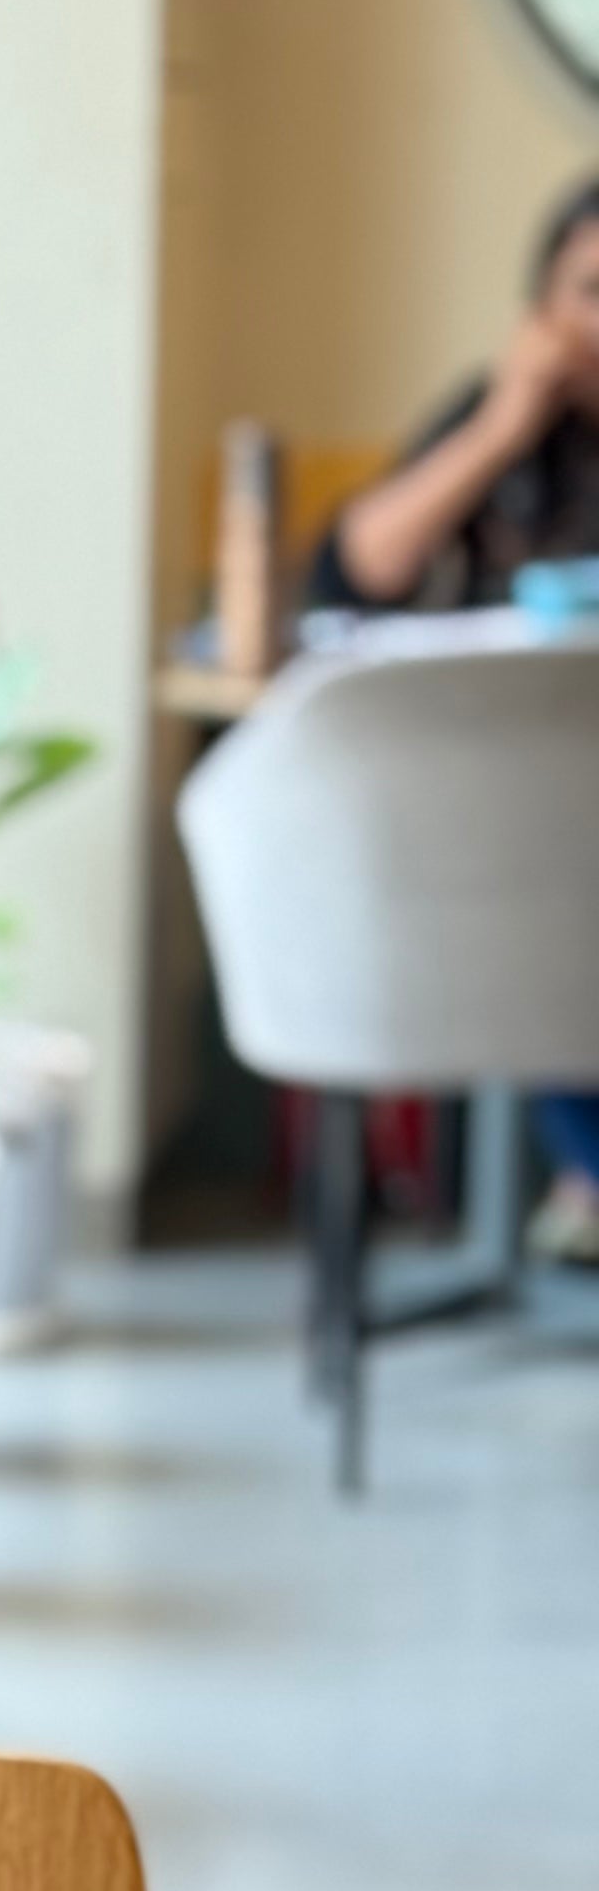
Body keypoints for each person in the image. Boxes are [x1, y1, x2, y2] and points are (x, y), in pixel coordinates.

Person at [313, 174, 599, 1263]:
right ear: (541, 312)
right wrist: (505, 420)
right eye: (590, 290)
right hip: (502, 846)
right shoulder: (498, 426)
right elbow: (359, 567)